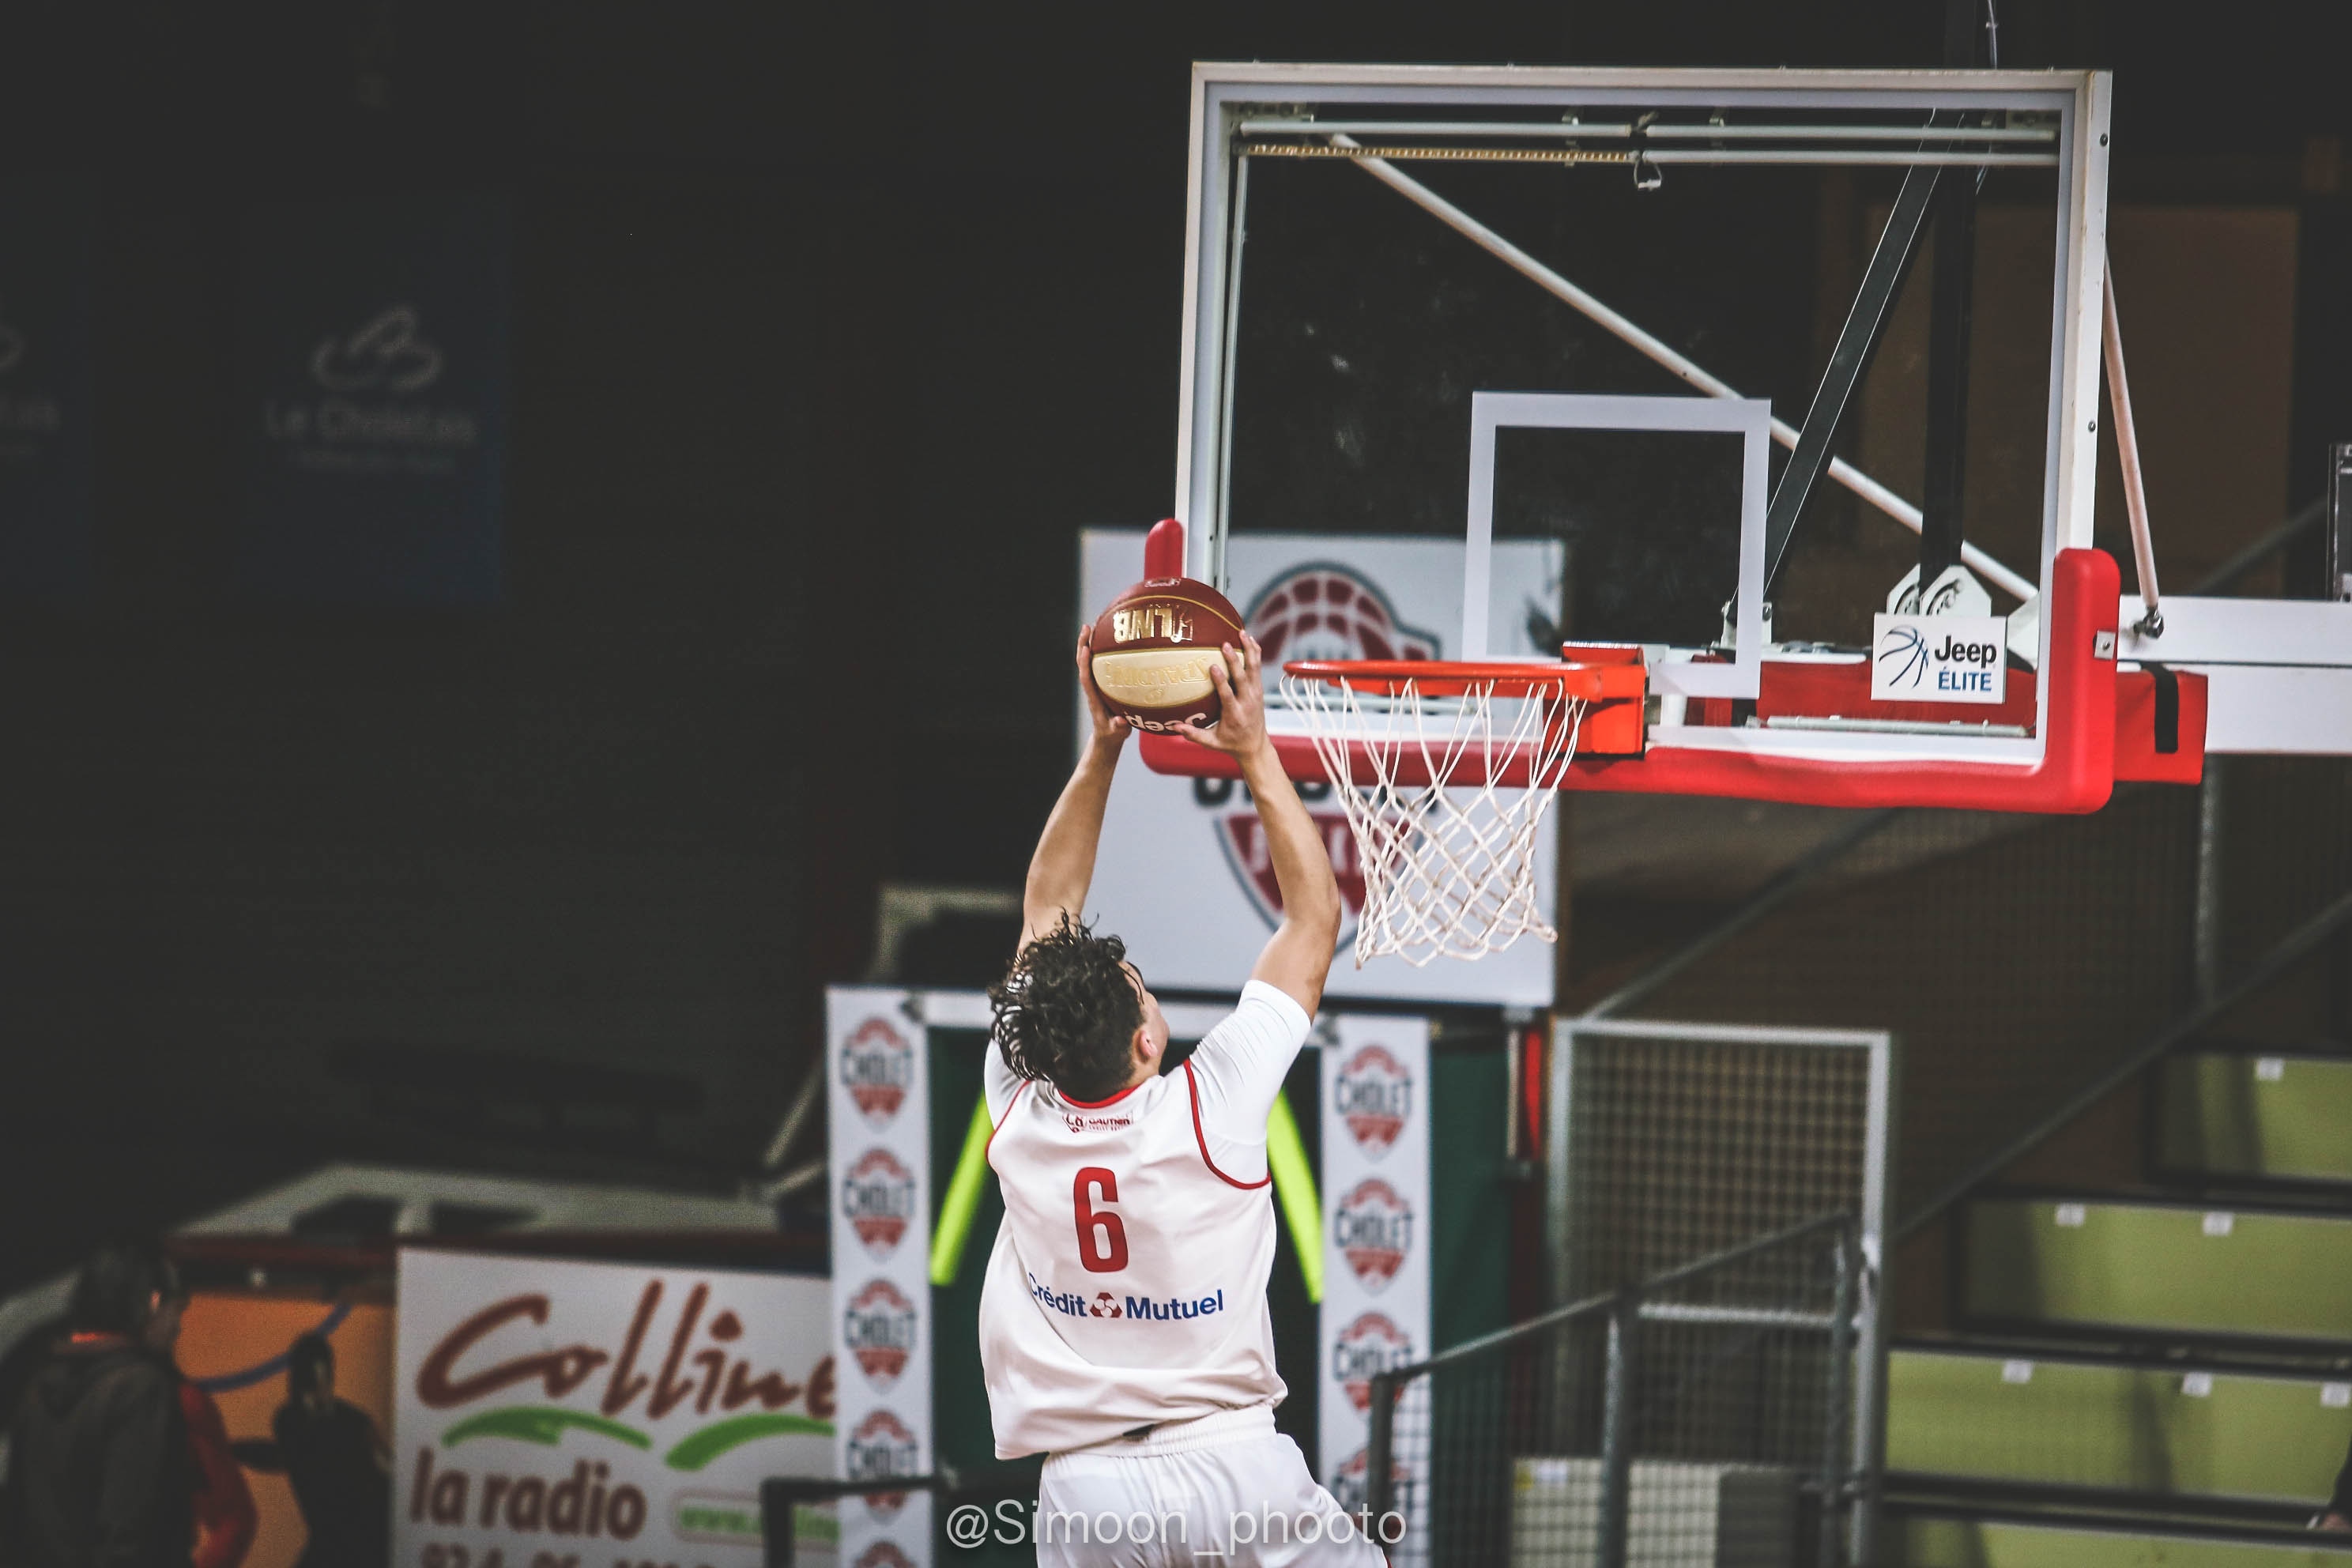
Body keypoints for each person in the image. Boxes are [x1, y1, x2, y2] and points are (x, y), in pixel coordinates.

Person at [979, 628, 1377, 1566]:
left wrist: (1103, 746)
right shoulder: (1212, 1104)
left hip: (1084, 1492)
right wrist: (1252, 749)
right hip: (1232, 1465)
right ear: (1149, 1039)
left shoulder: (1018, 1106)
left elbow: (1047, 906)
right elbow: (1313, 920)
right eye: (1147, 992)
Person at [0, 1242, 197, 1568]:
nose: (178, 1325)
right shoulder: (140, 1388)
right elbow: (131, 1534)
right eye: (176, 1308)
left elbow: (17, 1519)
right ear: (152, 1302)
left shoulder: (38, 1384)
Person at [270, 1334, 390, 1568]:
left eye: (326, 1380)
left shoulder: (355, 1422)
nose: (322, 1391)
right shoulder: (292, 1422)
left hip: (363, 1540)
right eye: (313, 1383)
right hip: (339, 1540)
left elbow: (386, 1469)